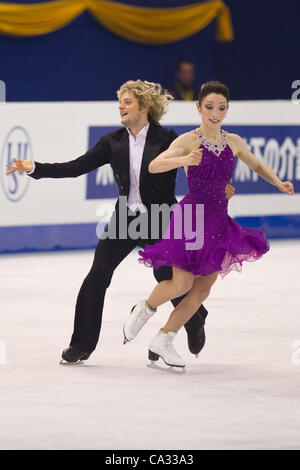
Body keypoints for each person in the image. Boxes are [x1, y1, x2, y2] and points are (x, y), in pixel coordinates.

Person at [5, 79, 236, 364]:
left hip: (162, 219)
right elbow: (77, 167)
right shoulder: (112, 142)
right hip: (125, 220)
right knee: (96, 276)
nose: (121, 106)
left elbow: (201, 173)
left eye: (127, 101)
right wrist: (35, 168)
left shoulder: (167, 140)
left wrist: (222, 190)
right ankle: (81, 345)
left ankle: (195, 320)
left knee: (170, 280)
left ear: (144, 106)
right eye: (120, 102)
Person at [123, 80, 294, 369]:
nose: (215, 113)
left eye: (222, 108)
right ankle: (145, 309)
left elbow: (256, 165)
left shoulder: (234, 141)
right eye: (210, 107)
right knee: (182, 282)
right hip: (192, 217)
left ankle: (165, 338)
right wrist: (184, 159)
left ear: (227, 110)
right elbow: (153, 166)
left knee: (203, 289)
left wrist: (278, 182)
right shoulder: (189, 140)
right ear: (199, 108)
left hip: (218, 221)